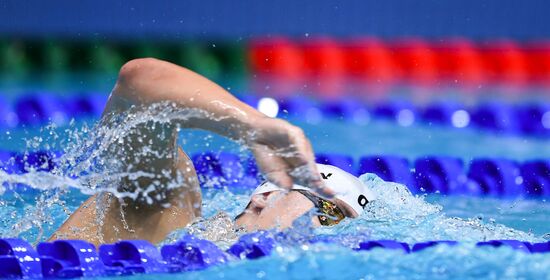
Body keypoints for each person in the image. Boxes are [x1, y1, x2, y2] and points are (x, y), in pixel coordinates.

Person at [50, 58, 375, 246]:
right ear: (263, 199)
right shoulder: (169, 210)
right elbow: (137, 83)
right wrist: (253, 126)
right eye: (331, 214)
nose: (332, 233)